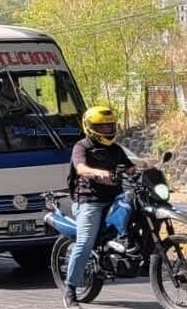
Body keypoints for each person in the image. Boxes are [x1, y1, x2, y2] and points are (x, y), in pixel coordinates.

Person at [63, 106, 133, 308]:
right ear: (90, 127)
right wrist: (97, 173)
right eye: (102, 127)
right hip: (89, 200)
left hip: (114, 197)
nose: (107, 130)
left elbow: (130, 167)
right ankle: (70, 290)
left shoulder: (116, 149)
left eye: (110, 126)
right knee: (85, 242)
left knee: (136, 207)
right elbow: (81, 168)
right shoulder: (81, 147)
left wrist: (144, 168)